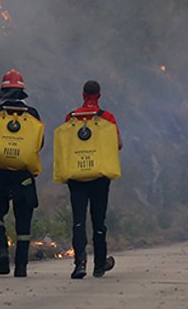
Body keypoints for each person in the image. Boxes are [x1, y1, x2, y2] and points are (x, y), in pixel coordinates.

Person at [0, 69, 44, 277]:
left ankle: (2, 249)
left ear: (2, 92)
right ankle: (21, 266)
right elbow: (38, 144)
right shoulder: (32, 116)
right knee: (24, 220)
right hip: (23, 176)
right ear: (22, 93)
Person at [64, 80, 122, 278]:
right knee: (99, 221)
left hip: (77, 177)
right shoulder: (107, 118)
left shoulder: (71, 118)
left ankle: (79, 264)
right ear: (99, 95)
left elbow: (66, 145)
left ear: (83, 94)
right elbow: (118, 144)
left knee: (78, 221)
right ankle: (99, 265)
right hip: (99, 177)